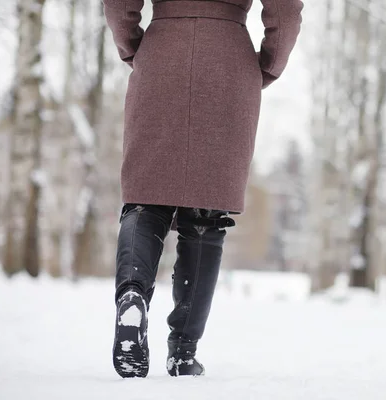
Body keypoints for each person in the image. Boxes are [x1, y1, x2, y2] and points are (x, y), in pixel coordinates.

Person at [102, 0, 303, 378]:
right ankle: (182, 351)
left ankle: (132, 296)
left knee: (145, 197)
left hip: (162, 55)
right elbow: (286, 9)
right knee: (206, 214)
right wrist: (269, 63)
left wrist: (133, 46)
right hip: (228, 61)